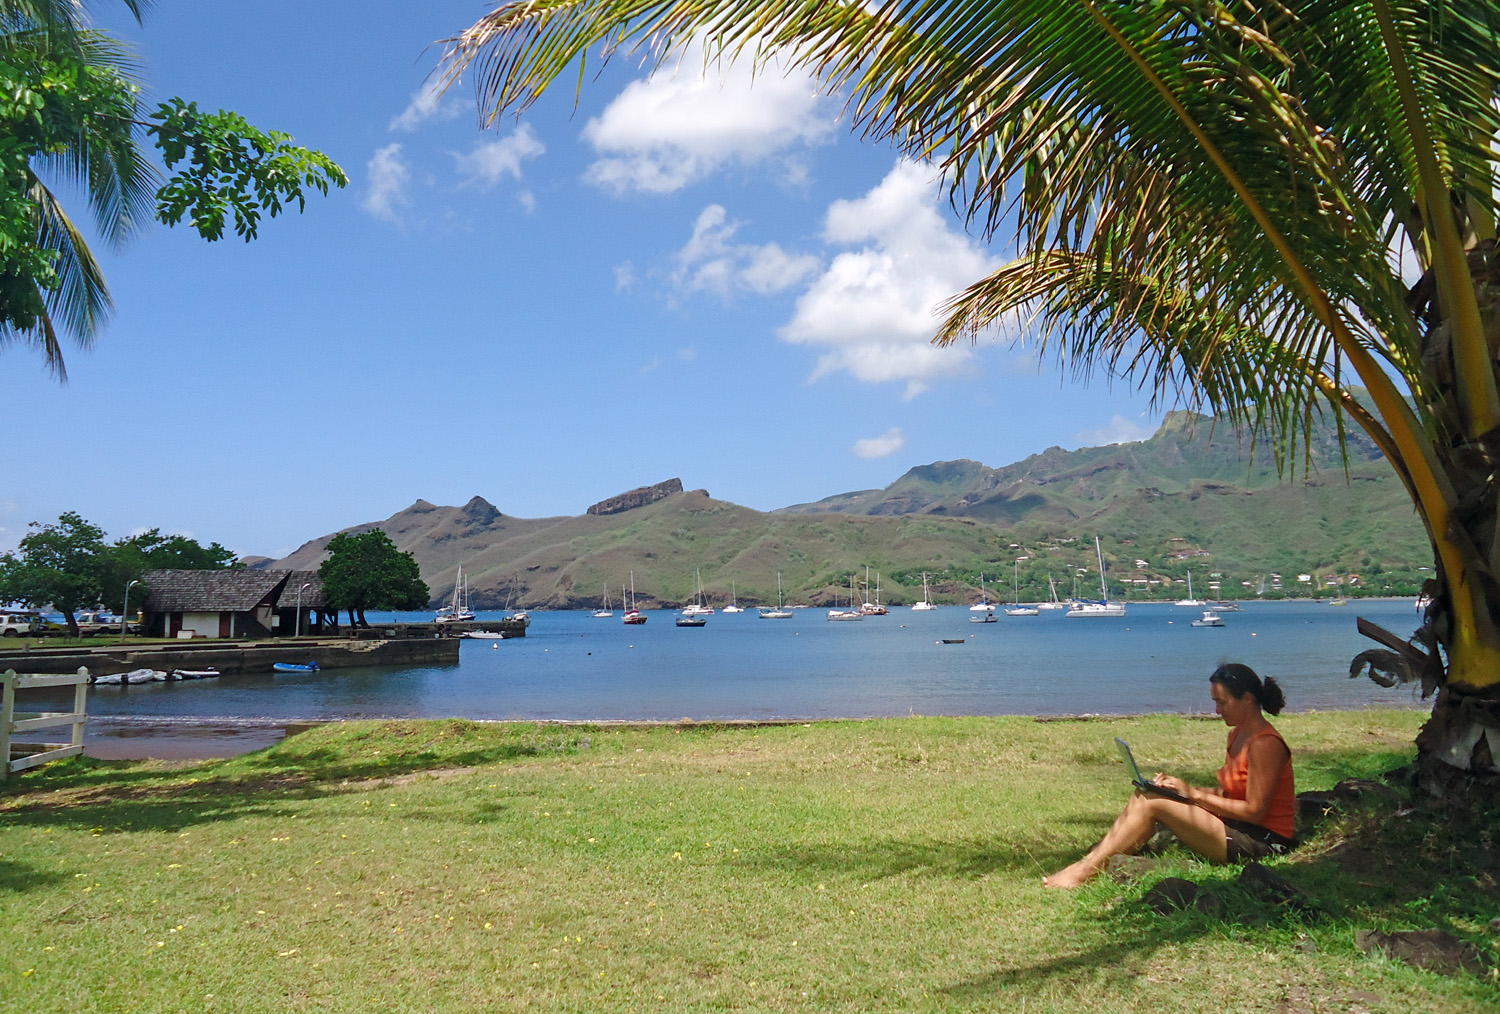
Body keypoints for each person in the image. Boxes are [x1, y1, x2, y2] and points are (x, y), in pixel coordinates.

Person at [1043, 662, 1296, 888]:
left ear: (1248, 699)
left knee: (1151, 803)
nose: (1217, 710)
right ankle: (1098, 859)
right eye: (1215, 702)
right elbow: (1232, 795)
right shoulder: (1237, 735)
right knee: (1147, 792)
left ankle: (1085, 871)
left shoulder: (1265, 744)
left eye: (1222, 702)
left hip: (1264, 843)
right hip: (1240, 827)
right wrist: (1180, 789)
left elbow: (1255, 811)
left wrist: (1193, 794)